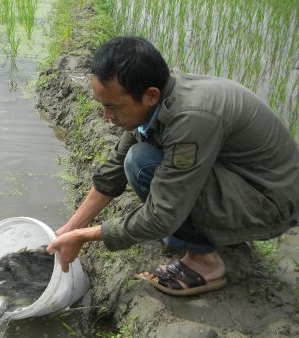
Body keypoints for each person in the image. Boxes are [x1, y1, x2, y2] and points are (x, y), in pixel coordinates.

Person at [46, 36, 299, 296]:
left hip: (271, 204)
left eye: (113, 107)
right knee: (132, 158)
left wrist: (83, 237)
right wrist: (71, 227)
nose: (106, 117)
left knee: (141, 163)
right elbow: (113, 170)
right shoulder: (158, 96)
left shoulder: (190, 118)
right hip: (242, 182)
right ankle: (207, 233)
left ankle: (205, 262)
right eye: (102, 106)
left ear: (150, 96)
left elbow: (161, 216)